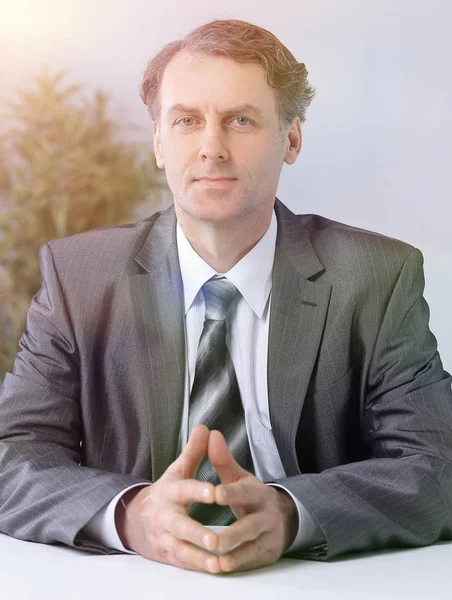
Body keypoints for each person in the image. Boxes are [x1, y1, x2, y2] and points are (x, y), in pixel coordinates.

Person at [0, 18, 452, 575]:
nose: (211, 148)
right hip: (127, 580)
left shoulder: (376, 277)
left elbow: (436, 465)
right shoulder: (79, 277)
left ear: (291, 138)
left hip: (316, 579)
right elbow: (11, 455)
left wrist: (293, 513)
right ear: (160, 143)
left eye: (241, 120)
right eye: (187, 121)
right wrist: (131, 515)